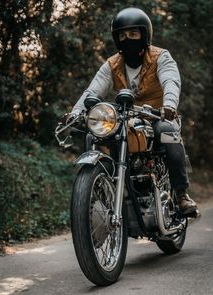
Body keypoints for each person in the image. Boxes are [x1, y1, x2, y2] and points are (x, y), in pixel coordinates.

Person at [68, 7, 198, 215]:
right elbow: (92, 91)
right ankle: (105, 189)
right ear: (116, 39)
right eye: (122, 35)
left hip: (156, 115)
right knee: (95, 137)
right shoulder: (112, 64)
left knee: (168, 133)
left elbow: (171, 81)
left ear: (145, 35)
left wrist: (170, 105)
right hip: (126, 117)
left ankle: (182, 194)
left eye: (133, 34)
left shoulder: (160, 57)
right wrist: (75, 113)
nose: (127, 39)